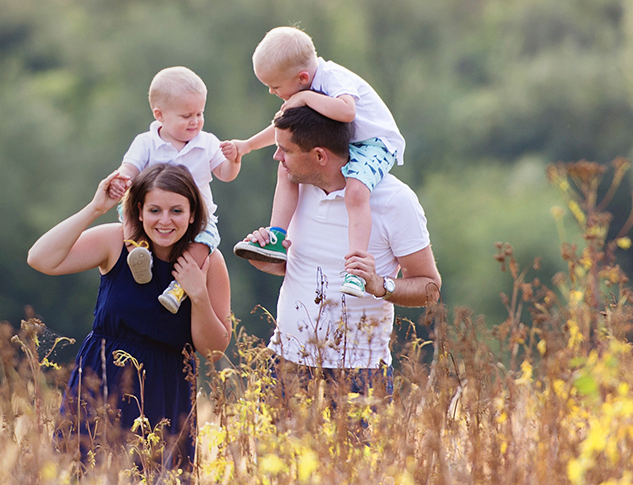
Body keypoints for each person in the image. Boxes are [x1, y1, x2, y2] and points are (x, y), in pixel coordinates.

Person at [28, 163, 234, 475]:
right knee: (79, 473)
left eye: (176, 211)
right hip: (100, 383)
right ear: (139, 211)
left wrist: (198, 295)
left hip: (166, 394)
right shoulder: (117, 242)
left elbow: (215, 350)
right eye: (154, 210)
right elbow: (41, 258)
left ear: (193, 214)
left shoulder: (207, 261)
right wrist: (95, 208)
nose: (165, 221)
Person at [238, 105, 440, 400]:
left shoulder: (396, 200)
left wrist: (380, 285)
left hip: (361, 374)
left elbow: (430, 287)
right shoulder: (296, 189)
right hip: (285, 365)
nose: (277, 157)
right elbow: (302, 269)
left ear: (320, 156)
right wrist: (264, 259)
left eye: (285, 150)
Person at [222, 26, 407, 300]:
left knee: (356, 191)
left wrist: (305, 97)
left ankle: (355, 269)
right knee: (286, 166)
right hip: (344, 142)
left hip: (375, 143)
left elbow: (347, 111)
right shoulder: (305, 87)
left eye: (274, 86)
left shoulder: (332, 78)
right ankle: (276, 236)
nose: (272, 92)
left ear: (302, 77)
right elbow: (283, 128)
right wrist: (247, 145)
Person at [108, 67, 241, 313]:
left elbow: (225, 174)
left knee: (205, 243)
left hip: (196, 216)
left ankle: (178, 288)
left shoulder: (207, 142)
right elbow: (130, 167)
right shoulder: (146, 142)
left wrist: (234, 161)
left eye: (200, 113)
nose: (195, 121)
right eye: (186, 115)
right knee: (126, 212)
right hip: (152, 212)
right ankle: (138, 254)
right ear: (160, 115)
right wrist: (122, 179)